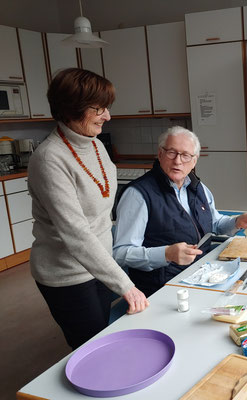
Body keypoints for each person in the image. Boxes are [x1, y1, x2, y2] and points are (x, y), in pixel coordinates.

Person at [28, 68, 149, 350]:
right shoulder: (49, 159)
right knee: (93, 348)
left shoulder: (95, 144)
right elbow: (76, 233)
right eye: (99, 109)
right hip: (67, 275)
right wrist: (125, 284)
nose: (107, 116)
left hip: (100, 265)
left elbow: (103, 214)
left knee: (108, 334)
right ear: (72, 109)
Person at [113, 126, 247, 297]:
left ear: (194, 160)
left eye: (185, 155)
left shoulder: (198, 187)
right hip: (163, 287)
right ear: (160, 154)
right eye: (171, 152)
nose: (178, 161)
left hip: (203, 275)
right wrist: (166, 254)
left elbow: (215, 223)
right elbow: (121, 253)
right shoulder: (138, 194)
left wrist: (236, 222)